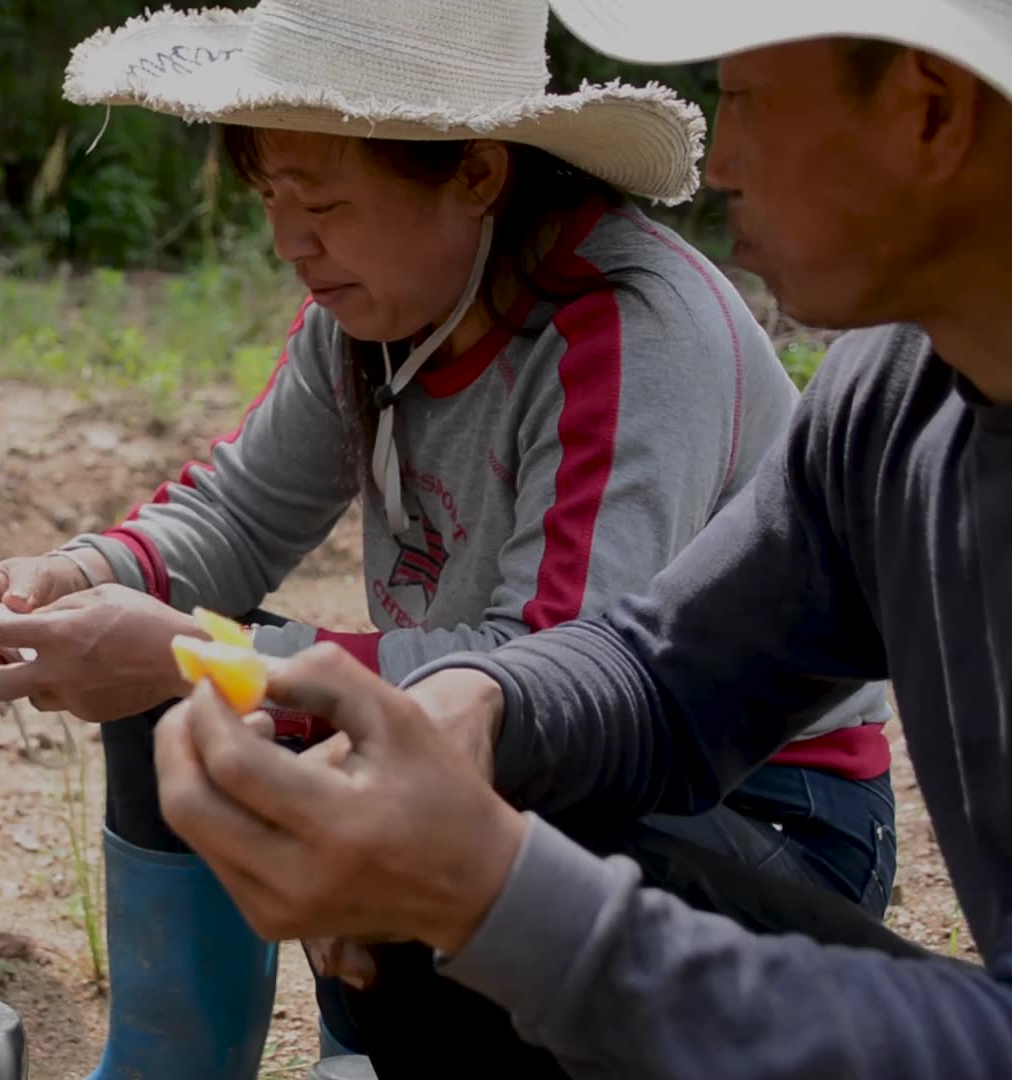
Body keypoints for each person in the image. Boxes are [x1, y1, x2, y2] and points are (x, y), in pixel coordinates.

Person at [0, 1, 897, 1075]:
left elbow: (556, 679)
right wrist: (69, 578)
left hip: (760, 817)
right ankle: (174, 1062)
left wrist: (200, 654)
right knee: (196, 670)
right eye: (270, 196)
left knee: (361, 767)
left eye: (326, 200)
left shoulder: (622, 329)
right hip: (532, 744)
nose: (292, 239)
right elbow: (237, 514)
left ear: (478, 174)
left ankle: (373, 1057)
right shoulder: (371, 313)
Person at [150, 0, 1012, 1076]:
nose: (723, 158)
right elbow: (665, 668)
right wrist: (480, 707)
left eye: (744, 98)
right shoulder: (894, 395)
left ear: (928, 115)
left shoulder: (628, 316)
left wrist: (507, 900)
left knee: (472, 902)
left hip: (788, 827)